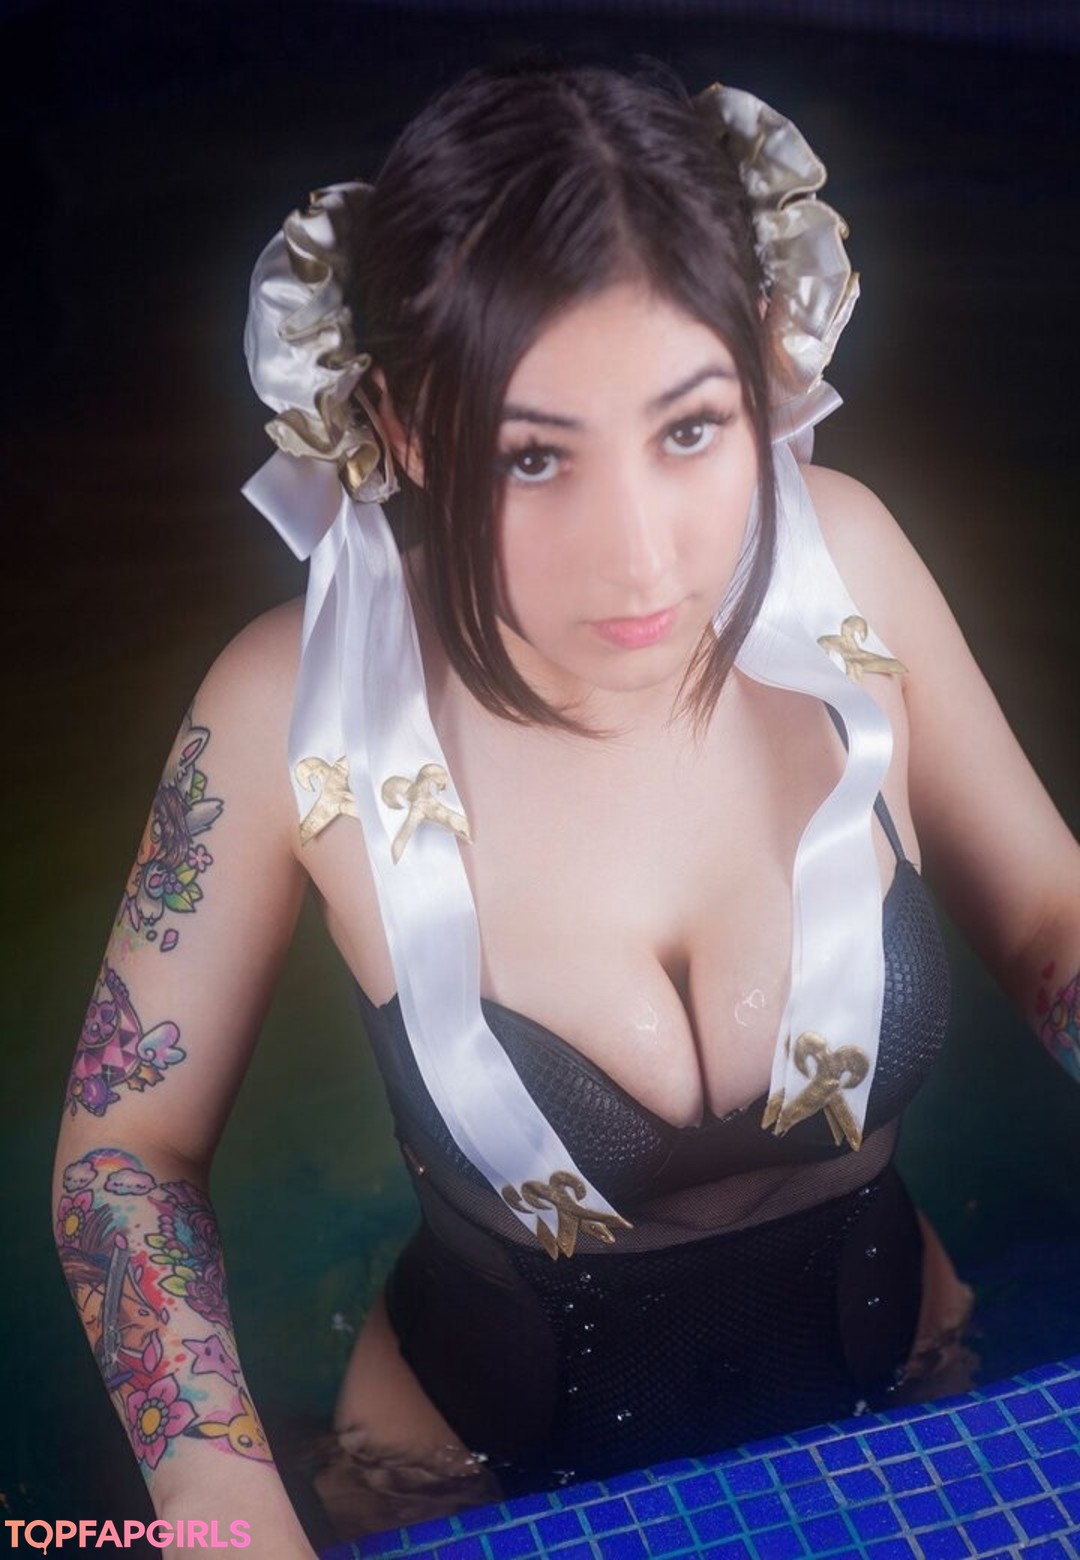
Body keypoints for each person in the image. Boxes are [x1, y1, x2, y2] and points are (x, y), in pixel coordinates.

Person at [53, 63, 1079, 1557]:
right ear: (402, 425)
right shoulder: (290, 710)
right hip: (465, 1478)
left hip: (911, 1386)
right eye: (533, 457)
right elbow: (124, 1154)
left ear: (766, 367)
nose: (640, 559)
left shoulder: (847, 566)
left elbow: (1049, 916)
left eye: (690, 430)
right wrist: (217, 1495)